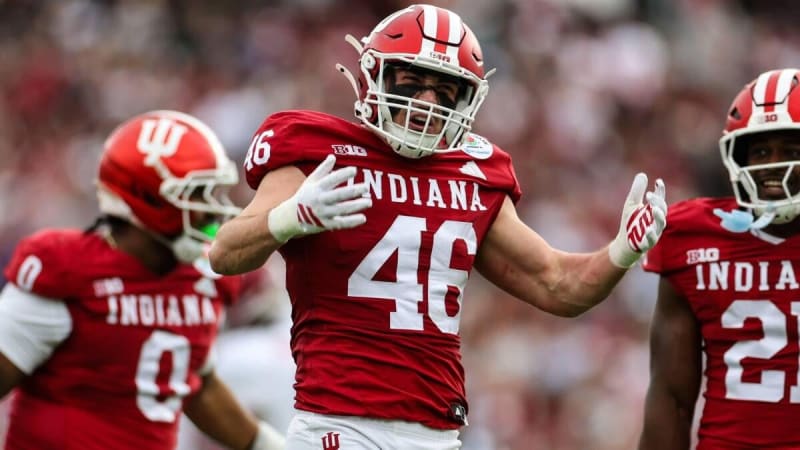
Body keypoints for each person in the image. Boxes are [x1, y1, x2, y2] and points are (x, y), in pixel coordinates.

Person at [209, 4, 667, 449]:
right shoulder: (318, 152)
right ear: (374, 76)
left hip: (436, 431)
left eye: (445, 90)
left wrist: (620, 251)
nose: (427, 101)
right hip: (337, 424)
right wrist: (290, 217)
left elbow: (558, 284)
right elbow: (225, 251)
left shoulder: (476, 174)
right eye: (412, 82)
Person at [0, 110, 284, 450]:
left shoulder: (203, 278)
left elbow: (195, 382)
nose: (211, 210)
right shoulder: (67, 269)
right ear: (147, 197)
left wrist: (271, 446)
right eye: (196, 194)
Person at [638, 67, 800, 450]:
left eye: (791, 151)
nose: (772, 164)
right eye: (760, 151)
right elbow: (670, 399)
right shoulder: (692, 238)